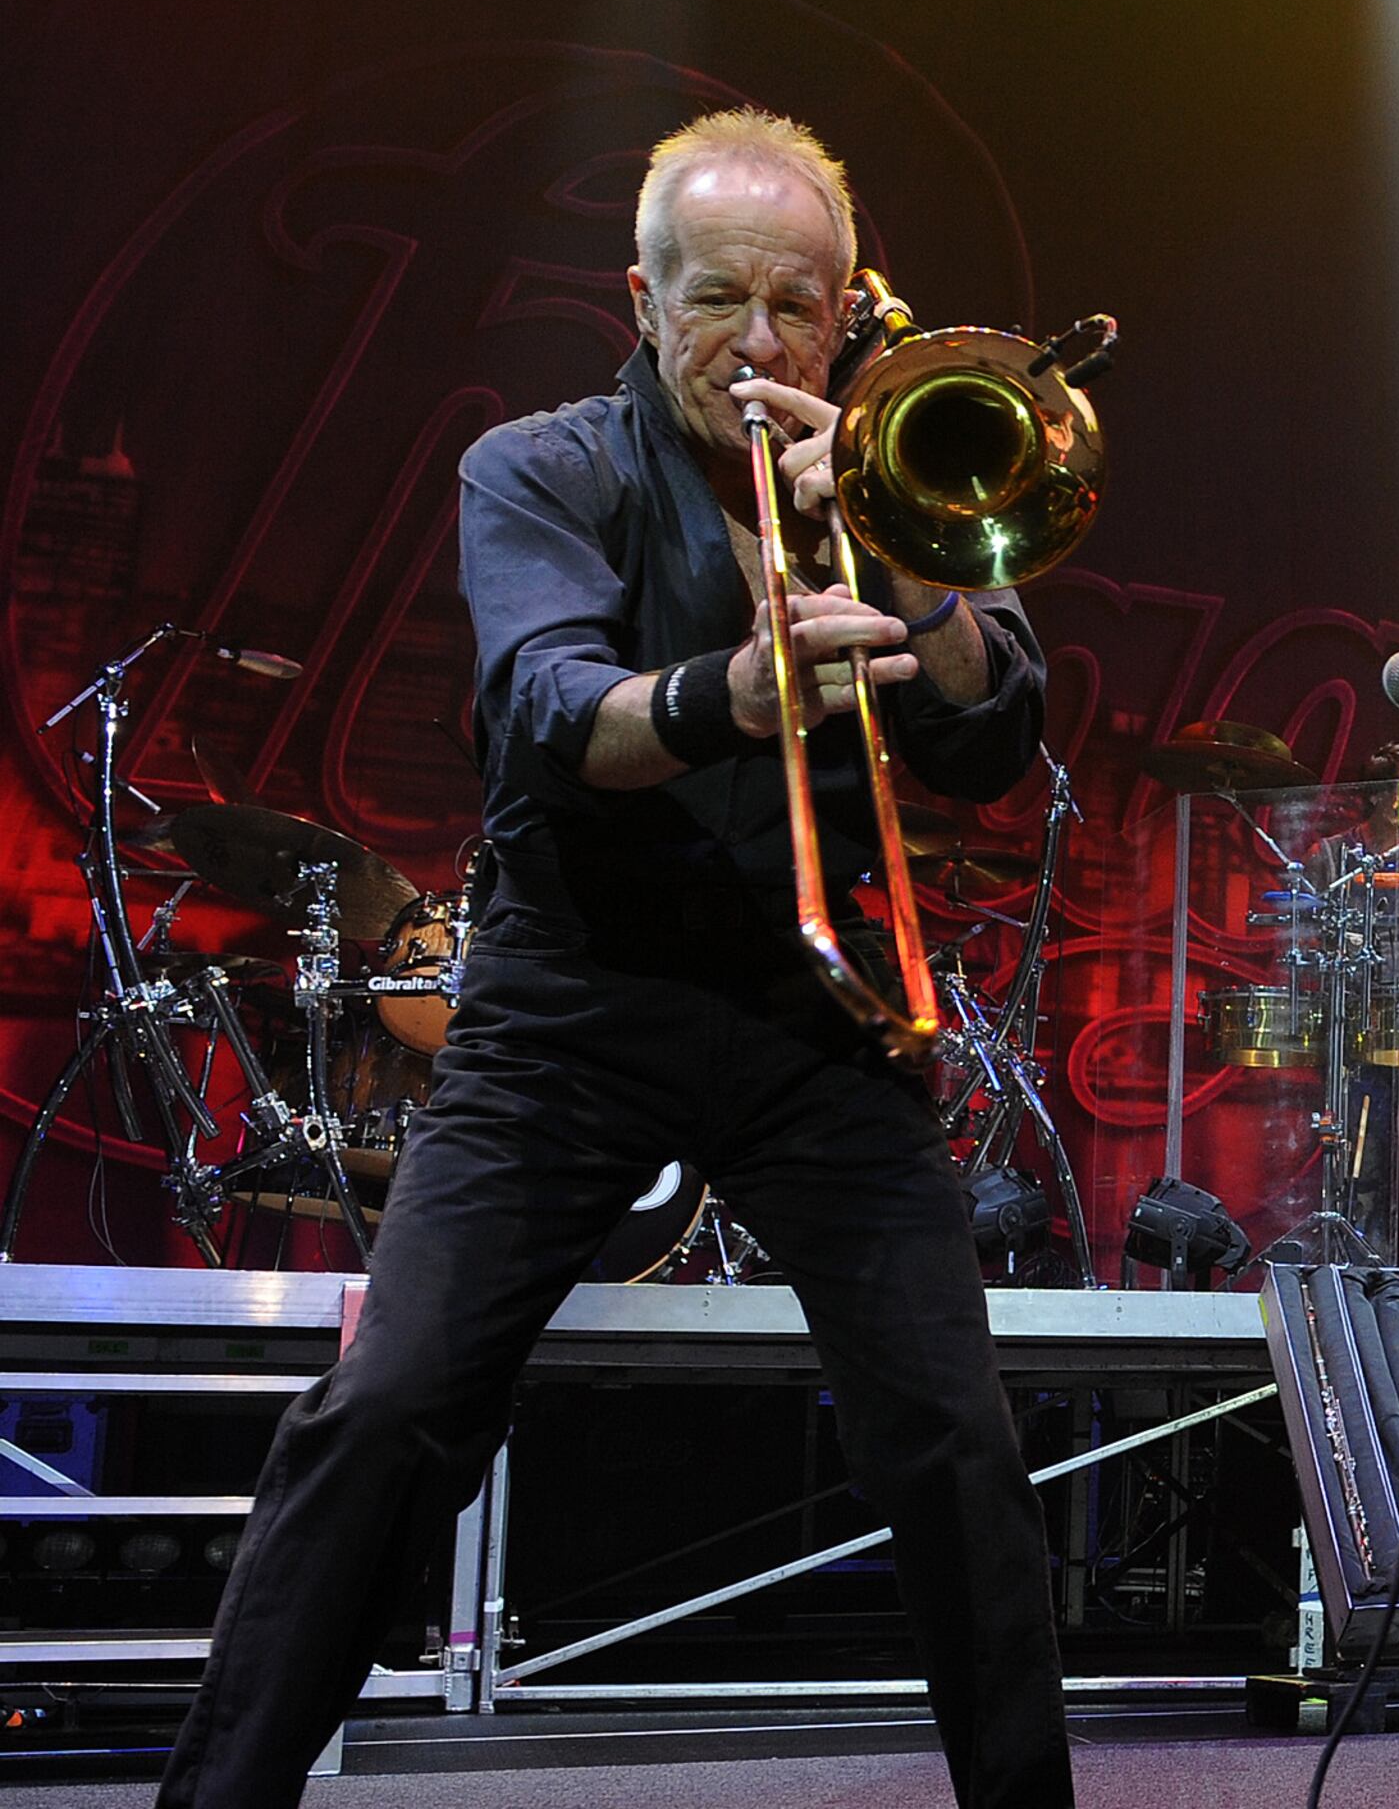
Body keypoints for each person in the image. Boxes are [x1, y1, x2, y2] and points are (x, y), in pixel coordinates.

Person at [160, 110, 1074, 1808]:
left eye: (797, 303)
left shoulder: (882, 482)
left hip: (816, 1012)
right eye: (718, 295)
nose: (760, 340)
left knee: (955, 1438)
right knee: (394, 1410)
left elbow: (994, 731)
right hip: (571, 1001)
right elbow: (545, 708)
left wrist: (918, 583)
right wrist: (743, 693)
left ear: (844, 312)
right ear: (641, 298)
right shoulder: (541, 464)